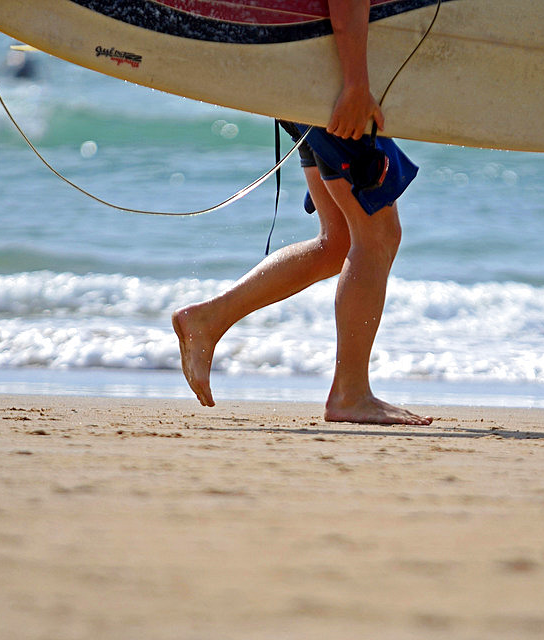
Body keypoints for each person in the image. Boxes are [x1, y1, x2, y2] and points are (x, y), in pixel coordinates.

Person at [172, 0, 432, 426]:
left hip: (301, 75)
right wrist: (355, 84)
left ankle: (206, 319)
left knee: (338, 243)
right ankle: (350, 394)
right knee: (378, 236)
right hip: (328, 80)